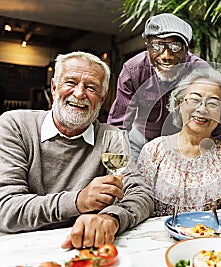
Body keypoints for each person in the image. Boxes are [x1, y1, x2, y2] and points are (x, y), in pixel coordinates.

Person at [0, 51, 154, 249]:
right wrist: (78, 201)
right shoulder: (15, 125)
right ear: (54, 88)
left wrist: (112, 217)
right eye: (71, 83)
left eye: (91, 87)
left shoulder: (111, 136)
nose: (80, 93)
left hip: (85, 247)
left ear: (102, 99)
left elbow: (140, 193)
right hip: (21, 247)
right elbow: (6, 208)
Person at [137, 67, 221, 216]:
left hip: (209, 237)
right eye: (195, 99)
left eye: (213, 103)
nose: (202, 109)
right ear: (180, 104)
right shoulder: (154, 151)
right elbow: (139, 203)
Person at [107, 13, 206, 162]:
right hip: (141, 139)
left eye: (175, 47)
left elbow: (215, 116)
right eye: (157, 46)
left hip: (183, 140)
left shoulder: (201, 71)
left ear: (186, 48)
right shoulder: (133, 70)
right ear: (147, 47)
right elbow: (120, 123)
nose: (166, 55)